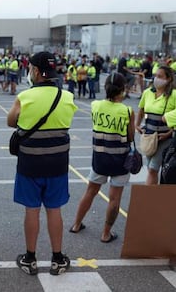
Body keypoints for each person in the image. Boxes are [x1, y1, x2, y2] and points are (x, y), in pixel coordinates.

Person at [7, 51, 77, 276]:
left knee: (32, 211)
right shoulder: (67, 97)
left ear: (35, 71)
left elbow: (11, 121)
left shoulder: (25, 97)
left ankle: (30, 258)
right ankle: (57, 258)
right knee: (54, 210)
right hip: (57, 164)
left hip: (30, 165)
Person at [70, 72, 134, 243]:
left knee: (90, 191)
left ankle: (76, 224)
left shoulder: (95, 105)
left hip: (100, 157)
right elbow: (130, 137)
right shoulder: (127, 111)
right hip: (120, 160)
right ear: (122, 89)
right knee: (114, 198)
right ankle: (106, 234)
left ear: (105, 88)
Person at [135, 65, 176, 184]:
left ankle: (149, 199)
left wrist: (169, 133)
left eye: (160, 76)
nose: (156, 79)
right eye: (155, 76)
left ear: (168, 79)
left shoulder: (173, 95)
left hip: (165, 138)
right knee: (150, 168)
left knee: (153, 168)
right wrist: (137, 125)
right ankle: (156, 196)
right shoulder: (148, 92)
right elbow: (141, 110)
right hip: (149, 137)